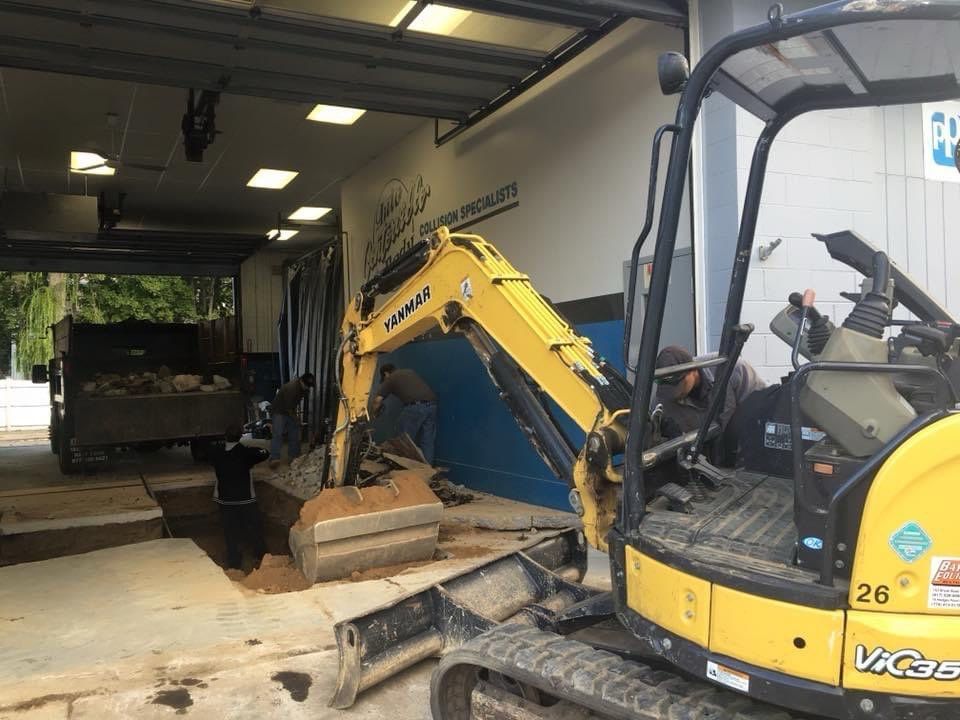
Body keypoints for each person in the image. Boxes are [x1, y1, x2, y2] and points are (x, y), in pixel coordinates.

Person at [654, 345, 765, 444]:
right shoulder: (662, 399)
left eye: (676, 386)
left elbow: (763, 406)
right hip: (700, 453)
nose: (673, 395)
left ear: (692, 371)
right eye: (667, 389)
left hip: (743, 445)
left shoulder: (731, 369)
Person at [211, 423, 270, 570]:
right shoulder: (245, 453)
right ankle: (262, 557)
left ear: (225, 437)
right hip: (245, 499)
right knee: (254, 528)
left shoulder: (217, 453)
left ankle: (234, 563)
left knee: (230, 532)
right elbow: (265, 452)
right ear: (241, 436)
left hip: (225, 500)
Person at [372, 364, 438, 464]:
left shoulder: (391, 378)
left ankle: (403, 466)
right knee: (427, 440)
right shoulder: (409, 371)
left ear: (386, 374)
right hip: (432, 406)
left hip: (416, 407)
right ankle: (428, 470)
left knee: (403, 438)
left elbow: (378, 400)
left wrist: (374, 413)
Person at [269, 372, 314, 465]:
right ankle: (274, 458)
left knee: (294, 432)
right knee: (278, 434)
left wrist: (296, 421)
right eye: (307, 386)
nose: (308, 388)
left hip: (288, 411)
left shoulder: (301, 387)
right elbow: (289, 408)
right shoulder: (292, 388)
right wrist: (297, 420)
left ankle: (295, 456)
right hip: (279, 411)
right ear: (302, 381)